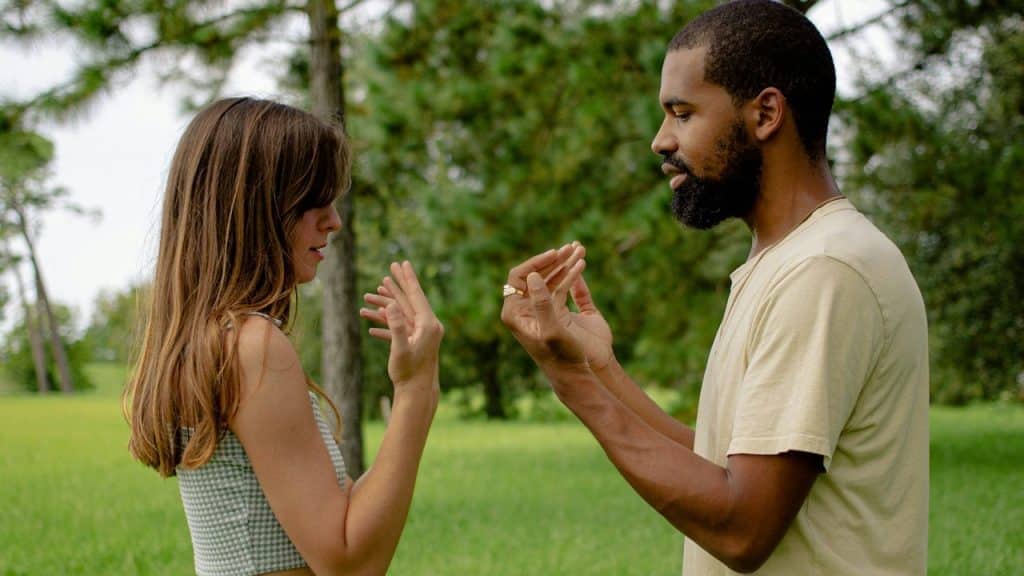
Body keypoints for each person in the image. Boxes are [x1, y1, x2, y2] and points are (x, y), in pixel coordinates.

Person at [500, 1, 928, 574]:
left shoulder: (825, 271)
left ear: (766, 113)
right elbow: (722, 467)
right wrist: (597, 368)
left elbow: (742, 527)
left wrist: (569, 381)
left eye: (681, 113)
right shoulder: (788, 261)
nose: (660, 140)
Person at [124, 97, 444, 576]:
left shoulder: (209, 338)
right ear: (254, 208)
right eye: (313, 200)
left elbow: (339, 519)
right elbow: (350, 563)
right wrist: (416, 390)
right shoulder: (251, 345)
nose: (333, 220)